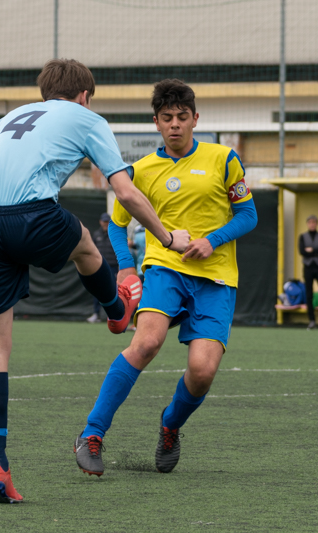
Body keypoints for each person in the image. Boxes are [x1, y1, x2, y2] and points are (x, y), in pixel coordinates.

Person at [0, 60, 189, 504]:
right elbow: (125, 192)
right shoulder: (88, 119)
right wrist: (167, 237)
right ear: (85, 95)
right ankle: (116, 311)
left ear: (44, 93)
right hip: (32, 217)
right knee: (85, 244)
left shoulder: (13, 115)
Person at [76, 79, 257, 476]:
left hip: (217, 278)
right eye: (167, 118)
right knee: (146, 343)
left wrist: (212, 240)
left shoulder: (224, 159)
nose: (175, 124)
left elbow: (248, 215)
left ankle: (171, 426)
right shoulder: (139, 171)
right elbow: (117, 225)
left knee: (203, 372)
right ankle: (92, 433)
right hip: (165, 268)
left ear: (195, 119)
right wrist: (126, 266)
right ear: (155, 122)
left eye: (182, 117)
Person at [87, 213, 118, 323]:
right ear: (100, 222)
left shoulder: (114, 233)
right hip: (99, 267)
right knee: (97, 290)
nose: (105, 224)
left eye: (107, 221)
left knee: (114, 291)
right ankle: (96, 314)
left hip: (113, 267)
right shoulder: (96, 234)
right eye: (104, 221)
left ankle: (114, 316)